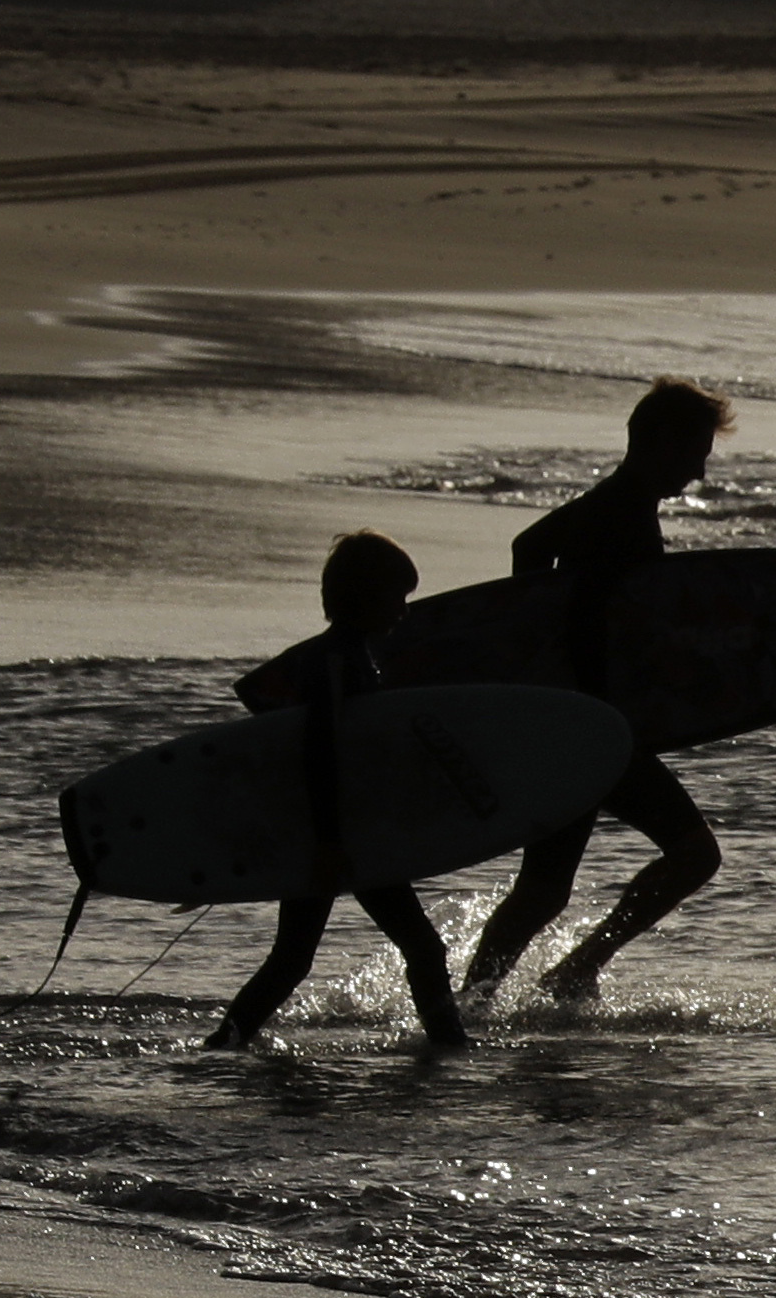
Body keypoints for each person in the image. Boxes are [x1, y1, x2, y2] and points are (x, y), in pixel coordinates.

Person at [460, 377, 732, 1009]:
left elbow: (532, 548)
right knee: (693, 854)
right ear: (657, 442)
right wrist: (548, 647)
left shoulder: (624, 504)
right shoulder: (619, 508)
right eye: (694, 454)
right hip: (593, 727)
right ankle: (569, 971)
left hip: (584, 721)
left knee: (544, 889)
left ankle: (472, 1002)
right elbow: (530, 549)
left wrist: (548, 654)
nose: (697, 472)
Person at [208, 529, 471, 1054]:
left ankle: (222, 1048)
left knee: (292, 959)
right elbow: (320, 750)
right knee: (422, 948)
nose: (403, 611)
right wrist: (330, 841)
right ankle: (451, 1051)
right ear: (367, 596)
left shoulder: (344, 656)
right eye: (398, 597)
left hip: (338, 831)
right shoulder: (338, 662)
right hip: (340, 834)